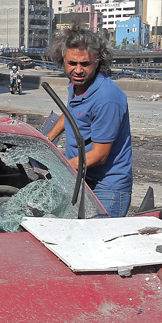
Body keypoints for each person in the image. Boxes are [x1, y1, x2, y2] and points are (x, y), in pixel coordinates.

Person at [44, 24, 133, 216]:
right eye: (72, 63)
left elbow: (99, 155)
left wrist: (59, 167)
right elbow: (72, 112)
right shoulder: (78, 85)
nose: (77, 70)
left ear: (97, 60)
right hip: (81, 179)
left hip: (106, 189)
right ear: (62, 60)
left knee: (98, 243)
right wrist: (47, 140)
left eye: (84, 64)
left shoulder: (107, 99)